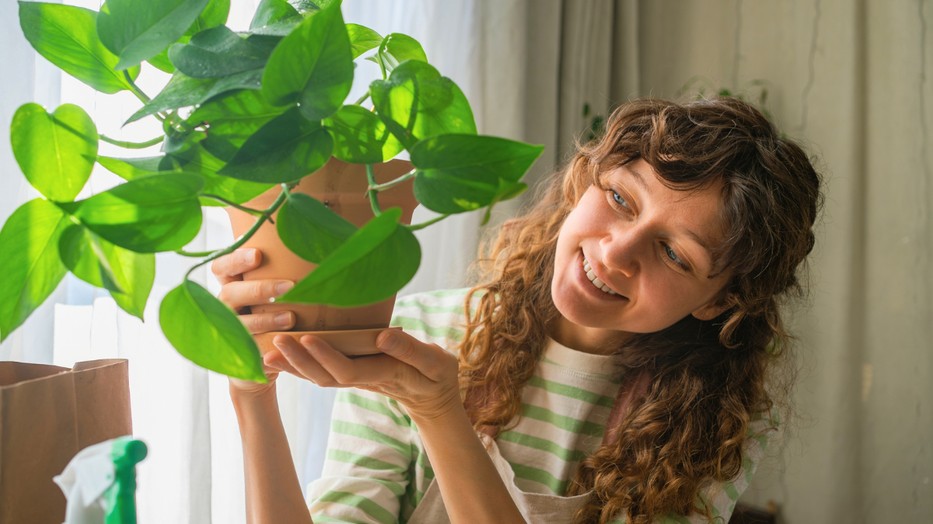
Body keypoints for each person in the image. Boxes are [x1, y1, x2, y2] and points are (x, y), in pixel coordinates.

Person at [213, 97, 823, 523]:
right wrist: (252, 397)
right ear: (585, 180)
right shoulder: (421, 334)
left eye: (673, 253)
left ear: (721, 301)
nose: (616, 254)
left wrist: (440, 412)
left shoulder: (710, 427)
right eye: (619, 198)